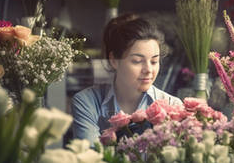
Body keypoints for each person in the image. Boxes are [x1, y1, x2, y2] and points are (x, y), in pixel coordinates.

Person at [71, 13, 182, 145]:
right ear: (114, 60)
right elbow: (90, 158)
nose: (148, 70)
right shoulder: (87, 103)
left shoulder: (173, 106)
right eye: (137, 61)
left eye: (154, 61)